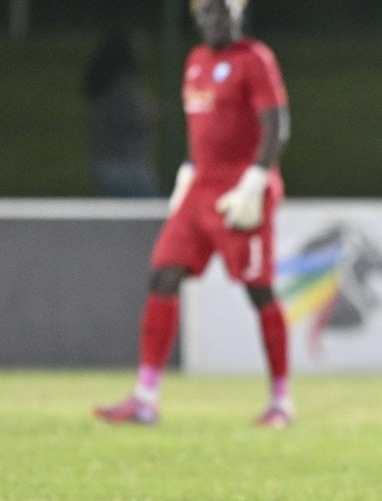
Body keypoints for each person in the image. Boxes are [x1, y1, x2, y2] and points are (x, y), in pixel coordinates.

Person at [94, 0, 293, 428]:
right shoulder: (196, 61)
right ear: (196, 18)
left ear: (239, 14)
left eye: (223, 12)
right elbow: (202, 129)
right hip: (200, 190)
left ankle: (281, 401)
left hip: (240, 192)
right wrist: (188, 170)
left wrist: (256, 181)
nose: (214, 20)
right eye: (206, 13)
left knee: (259, 291)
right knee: (162, 276)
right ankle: (145, 397)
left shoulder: (254, 58)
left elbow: (277, 125)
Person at [81, 28, 160, 197]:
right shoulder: (123, 85)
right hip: (124, 163)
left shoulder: (111, 82)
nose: (144, 49)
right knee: (149, 213)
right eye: (138, 45)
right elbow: (131, 117)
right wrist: (151, 112)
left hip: (109, 161)